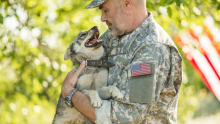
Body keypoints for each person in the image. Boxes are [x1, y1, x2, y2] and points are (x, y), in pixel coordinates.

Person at [61, 0, 182, 123]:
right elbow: (83, 70)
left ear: (127, 3)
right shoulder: (112, 36)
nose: (102, 18)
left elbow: (123, 118)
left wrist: (71, 94)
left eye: (105, 10)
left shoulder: (152, 49)